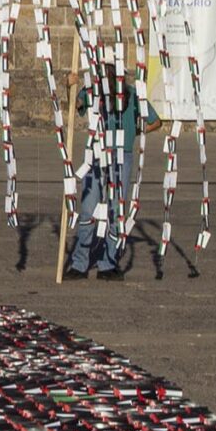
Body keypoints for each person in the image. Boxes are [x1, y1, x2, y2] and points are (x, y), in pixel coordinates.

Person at [67, 69, 140, 277]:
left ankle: (108, 263)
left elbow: (152, 120)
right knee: (89, 208)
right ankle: (80, 263)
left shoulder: (132, 94)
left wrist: (132, 133)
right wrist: (69, 86)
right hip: (97, 155)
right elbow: (76, 105)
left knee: (116, 210)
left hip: (122, 156)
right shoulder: (93, 91)